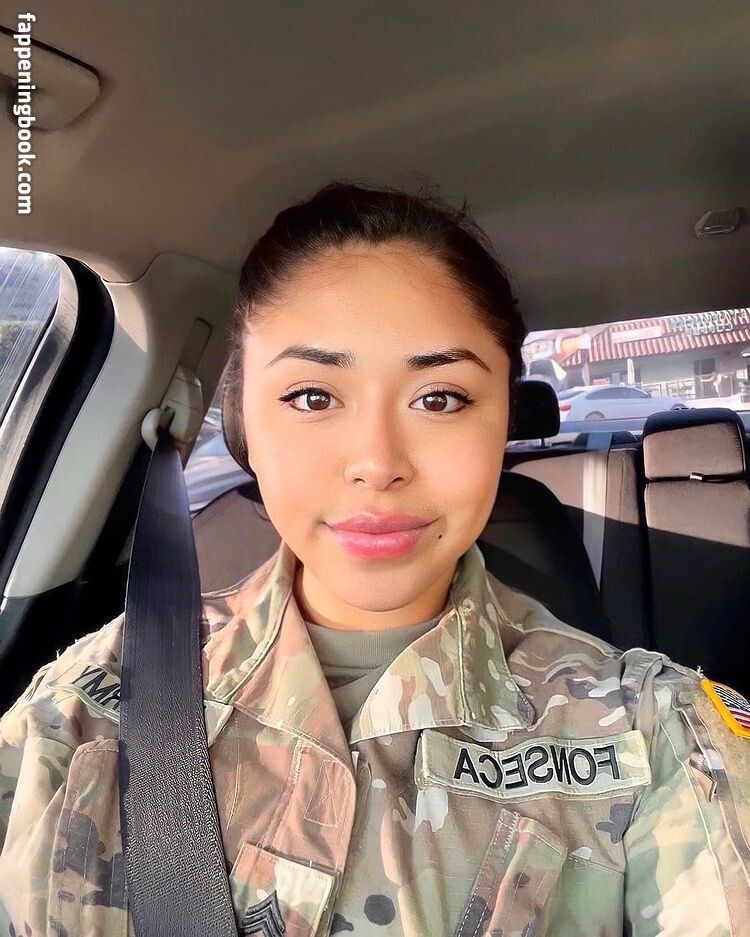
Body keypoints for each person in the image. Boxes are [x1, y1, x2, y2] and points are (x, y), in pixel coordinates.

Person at [1, 181, 749, 937]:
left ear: (504, 423)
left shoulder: (656, 734)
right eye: (312, 397)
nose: (378, 463)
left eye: (440, 398)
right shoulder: (84, 704)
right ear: (242, 426)